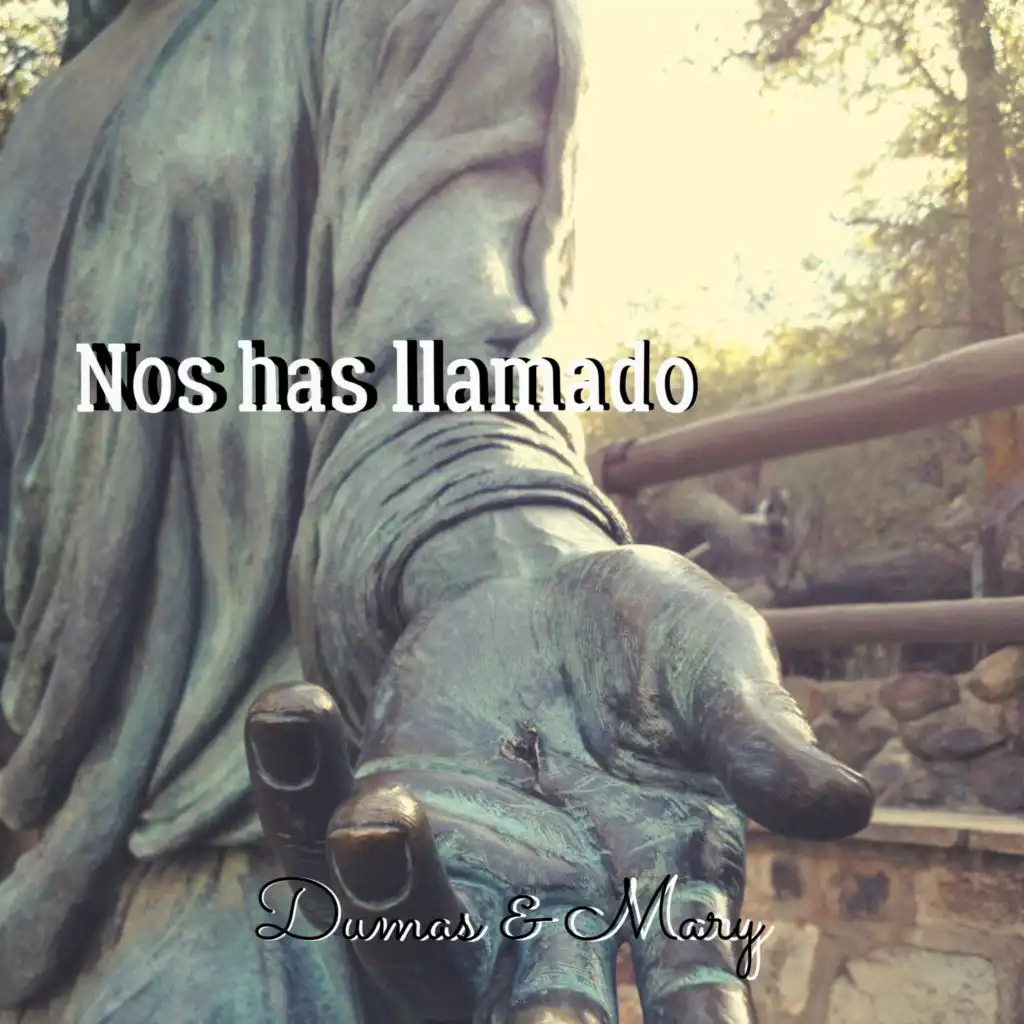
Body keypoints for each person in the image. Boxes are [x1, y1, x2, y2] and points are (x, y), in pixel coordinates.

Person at [0, 0, 874, 1020]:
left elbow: (449, 366)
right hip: (43, 897)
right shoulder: (46, 115)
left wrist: (509, 577)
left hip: (266, 885)